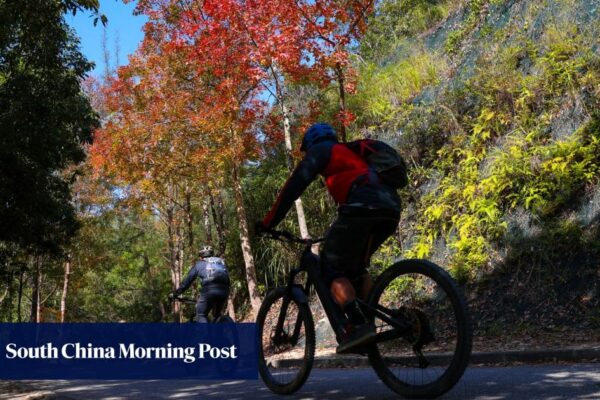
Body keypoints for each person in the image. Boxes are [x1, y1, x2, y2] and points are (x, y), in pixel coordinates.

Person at [257, 123, 401, 353]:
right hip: (390, 208)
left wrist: (267, 223)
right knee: (356, 269)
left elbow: (293, 187)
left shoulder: (322, 151)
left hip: (362, 207)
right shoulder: (349, 154)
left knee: (330, 267)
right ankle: (370, 321)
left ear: (311, 143)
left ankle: (357, 326)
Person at [170, 245, 230, 323]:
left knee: (201, 314)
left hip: (209, 291)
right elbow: (227, 278)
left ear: (201, 256)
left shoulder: (199, 264)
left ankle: (206, 335)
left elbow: (187, 281)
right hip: (225, 290)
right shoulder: (220, 262)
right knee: (217, 315)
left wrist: (176, 293)